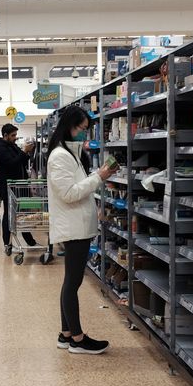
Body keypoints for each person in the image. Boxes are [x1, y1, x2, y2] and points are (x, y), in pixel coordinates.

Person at [47, 105, 118, 355]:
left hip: (78, 224)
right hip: (73, 227)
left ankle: (66, 334)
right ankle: (77, 339)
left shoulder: (71, 153)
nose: (84, 134)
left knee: (70, 282)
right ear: (69, 125)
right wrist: (99, 176)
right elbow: (68, 193)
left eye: (86, 130)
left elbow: (78, 187)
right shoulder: (59, 156)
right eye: (81, 129)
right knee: (73, 282)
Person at [0, 123, 37, 249]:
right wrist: (24, 151)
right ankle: (7, 243)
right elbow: (11, 164)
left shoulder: (12, 146)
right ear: (5, 135)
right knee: (9, 214)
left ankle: (29, 240)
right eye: (13, 135)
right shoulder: (1, 148)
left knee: (23, 213)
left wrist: (28, 152)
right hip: (9, 187)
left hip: (19, 186)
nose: (15, 137)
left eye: (16, 135)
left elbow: (21, 160)